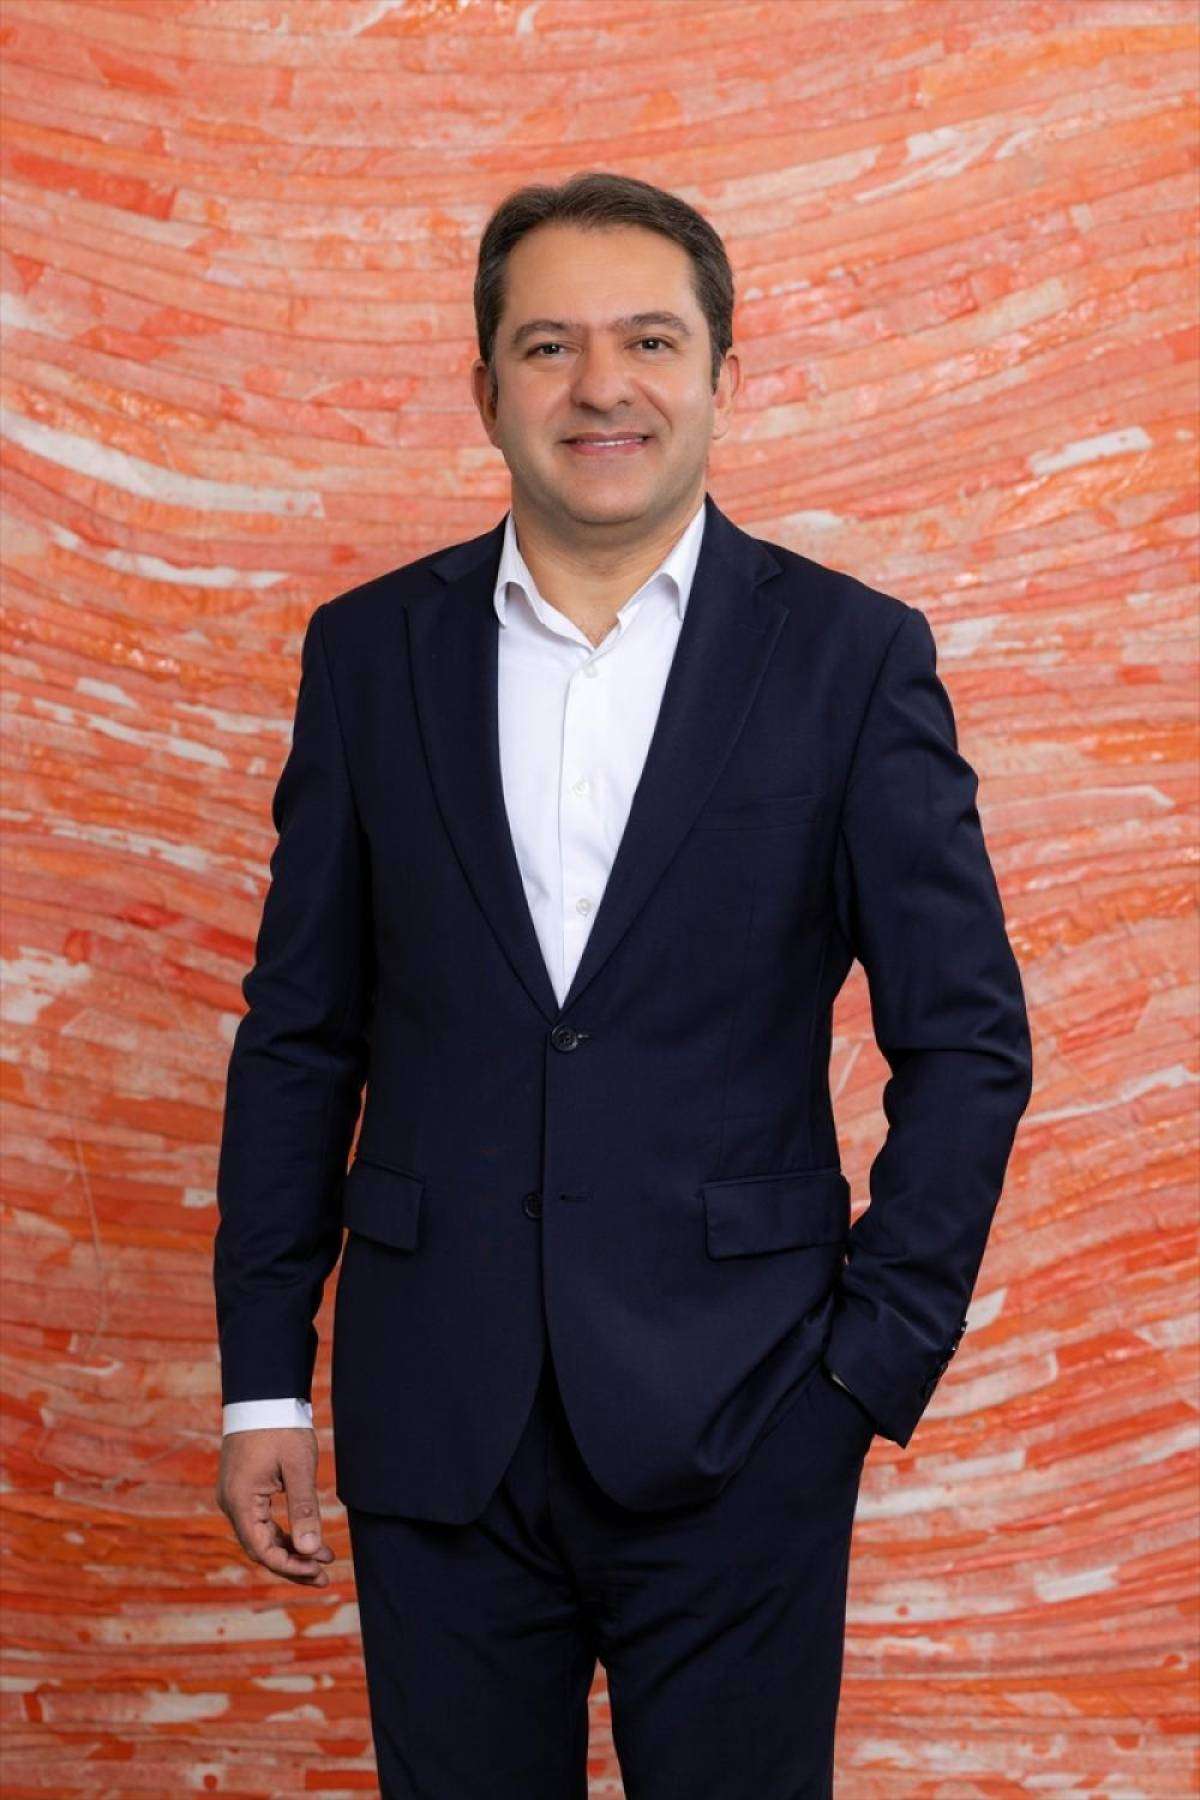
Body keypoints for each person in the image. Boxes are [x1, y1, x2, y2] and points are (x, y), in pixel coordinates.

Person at [212, 170, 1033, 1798]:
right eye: (550, 346)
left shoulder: (852, 659)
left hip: (751, 1418)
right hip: (437, 1419)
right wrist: (260, 1386)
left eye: (651, 340)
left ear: (723, 374)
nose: (603, 385)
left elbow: (968, 1040)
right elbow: (301, 1037)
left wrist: (868, 1366)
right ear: (486, 389)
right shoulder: (369, 656)